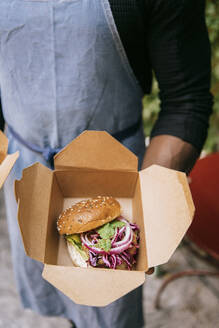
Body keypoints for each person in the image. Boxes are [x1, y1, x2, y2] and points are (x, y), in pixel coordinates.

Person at [0, 0, 213, 327]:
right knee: (56, 294)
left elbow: (187, 100)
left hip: (117, 187)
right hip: (27, 171)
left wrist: (148, 207)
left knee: (109, 311)